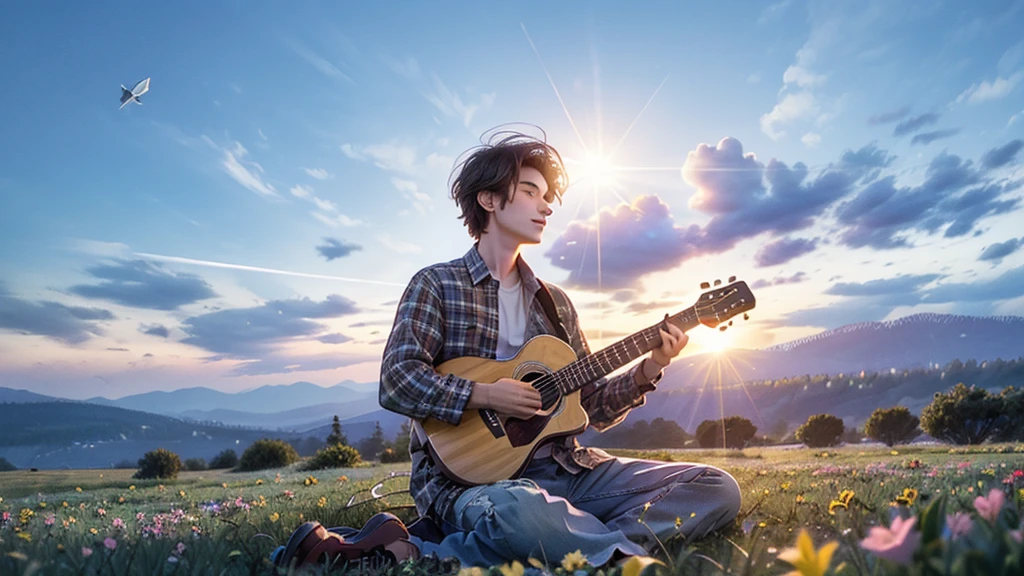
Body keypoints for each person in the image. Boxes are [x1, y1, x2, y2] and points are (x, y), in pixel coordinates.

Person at [274, 127, 742, 570]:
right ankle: (584, 547)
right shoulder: (436, 284)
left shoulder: (555, 303)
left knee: (716, 487)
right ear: (490, 199)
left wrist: (650, 368)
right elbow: (397, 381)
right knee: (519, 509)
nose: (547, 206)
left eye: (547, 196)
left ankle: (435, 552)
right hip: (474, 483)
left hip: (570, 472)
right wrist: (486, 395)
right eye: (531, 192)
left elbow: (592, 406)